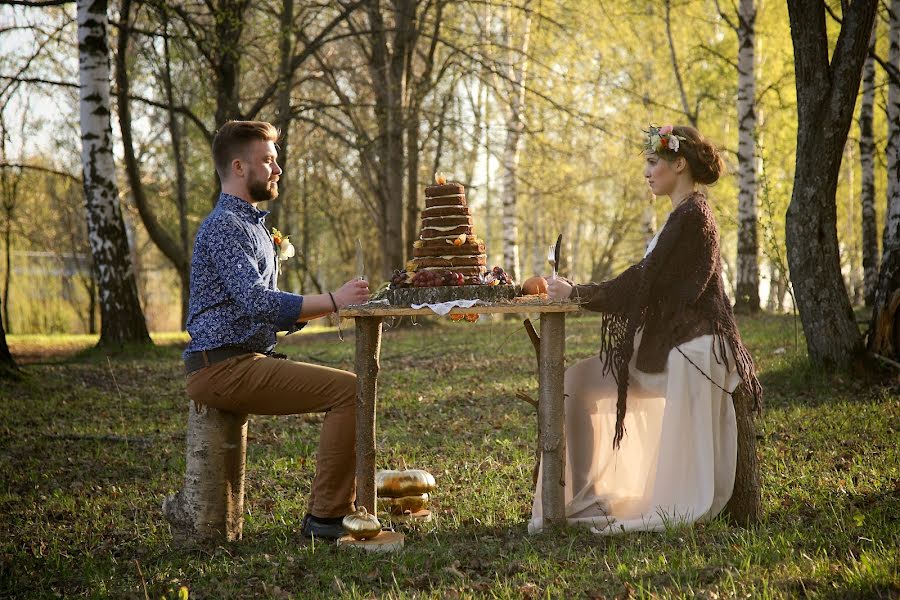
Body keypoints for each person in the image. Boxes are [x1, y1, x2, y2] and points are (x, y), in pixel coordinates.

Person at [530, 124, 762, 534]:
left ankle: (619, 501)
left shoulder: (694, 216)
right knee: (576, 382)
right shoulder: (682, 215)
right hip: (665, 343)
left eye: (654, 162)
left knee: (576, 382)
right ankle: (584, 500)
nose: (647, 172)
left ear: (679, 163)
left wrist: (579, 292)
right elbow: (648, 280)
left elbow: (642, 280)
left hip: (692, 348)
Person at [183, 120, 370, 539]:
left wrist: (333, 305)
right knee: (350, 391)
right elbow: (258, 303)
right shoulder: (224, 227)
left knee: (350, 389)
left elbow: (263, 307)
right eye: (268, 160)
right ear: (237, 167)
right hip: (221, 367)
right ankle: (325, 518)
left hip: (241, 360)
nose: (277, 169)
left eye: (276, 160)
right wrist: (335, 301)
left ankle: (334, 512)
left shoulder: (250, 225)